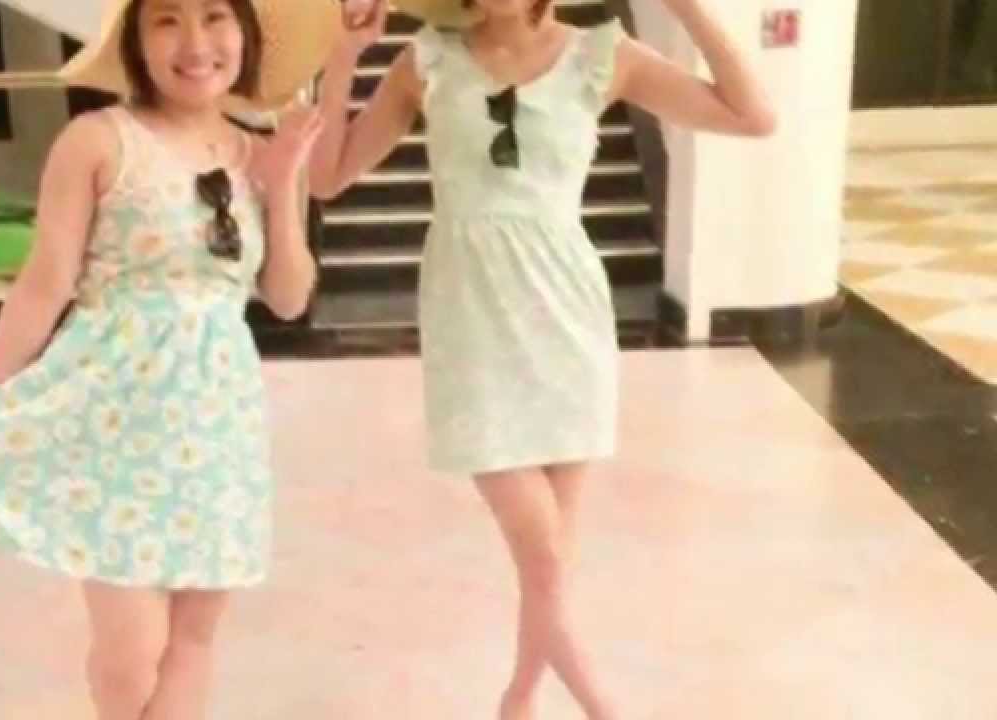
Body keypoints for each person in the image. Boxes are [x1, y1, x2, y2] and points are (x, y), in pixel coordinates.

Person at [309, 0, 775, 717]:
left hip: (567, 316)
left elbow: (753, 116)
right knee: (544, 551)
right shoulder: (425, 60)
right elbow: (326, 178)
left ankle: (520, 699)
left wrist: (687, 8)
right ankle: (602, 706)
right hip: (470, 319)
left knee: (550, 561)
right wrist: (344, 56)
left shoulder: (601, 56)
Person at [0, 0, 338, 717]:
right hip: (114, 424)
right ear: (135, 39)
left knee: (194, 639)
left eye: (215, 16)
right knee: (132, 651)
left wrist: (284, 182)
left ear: (246, 33)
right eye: (167, 20)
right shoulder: (98, 141)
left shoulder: (255, 151)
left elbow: (289, 299)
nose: (195, 42)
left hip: (218, 426)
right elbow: (44, 283)